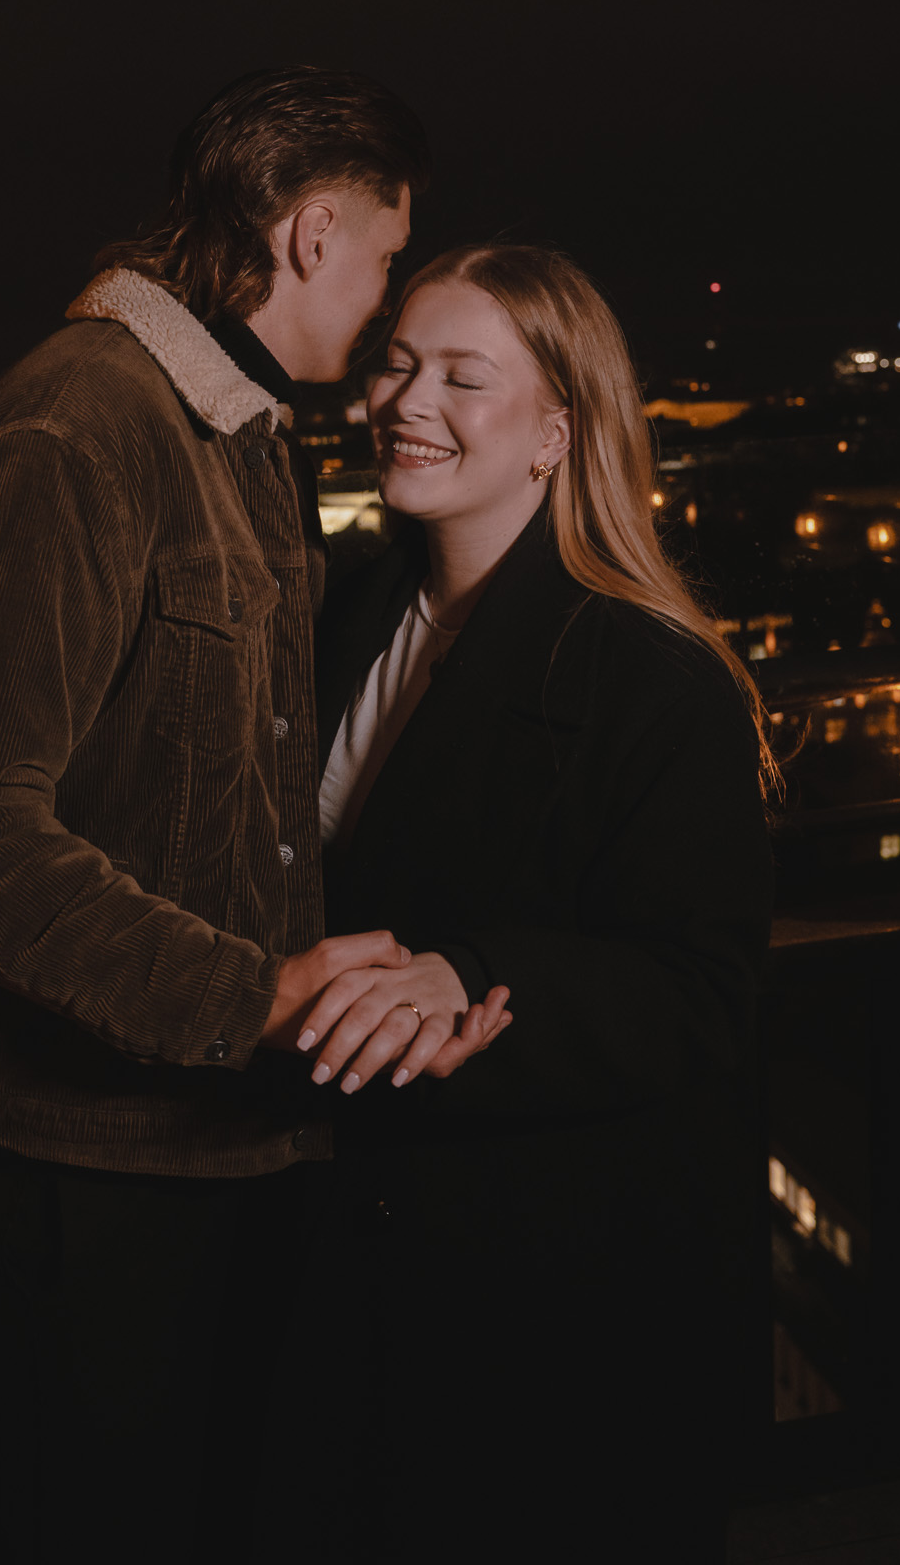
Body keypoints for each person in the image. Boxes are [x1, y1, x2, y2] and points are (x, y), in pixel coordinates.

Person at [0, 69, 509, 1561]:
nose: (386, 295)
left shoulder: (235, 435)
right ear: (315, 231)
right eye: (390, 257)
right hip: (62, 1178)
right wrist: (252, 995)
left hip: (191, 1152)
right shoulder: (72, 435)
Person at [292, 243, 775, 1561]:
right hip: (361, 1282)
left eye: (461, 376)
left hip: (558, 1308)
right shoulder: (344, 614)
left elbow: (700, 993)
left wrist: (472, 971)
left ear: (557, 432)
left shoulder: (652, 679)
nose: (404, 400)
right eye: (394, 364)